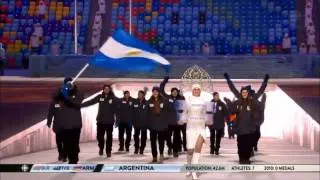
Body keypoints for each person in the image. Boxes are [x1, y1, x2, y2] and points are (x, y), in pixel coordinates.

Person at [179, 84, 213, 180]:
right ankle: (189, 167)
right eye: (195, 89)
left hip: (201, 127)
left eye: (198, 89)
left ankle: (194, 170)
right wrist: (182, 119)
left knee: (197, 149)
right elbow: (183, 113)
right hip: (190, 127)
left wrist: (208, 120)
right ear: (192, 90)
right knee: (190, 150)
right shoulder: (187, 101)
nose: (197, 91)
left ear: (200, 91)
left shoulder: (204, 101)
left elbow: (207, 114)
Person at [49, 77, 84, 164]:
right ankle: (70, 159)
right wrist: (61, 90)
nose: (69, 85)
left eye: (71, 83)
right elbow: (54, 97)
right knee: (67, 143)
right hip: (64, 125)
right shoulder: (61, 94)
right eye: (67, 84)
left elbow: (76, 103)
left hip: (75, 124)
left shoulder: (78, 93)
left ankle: (74, 160)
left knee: (74, 143)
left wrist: (67, 94)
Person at [81, 85, 117, 157]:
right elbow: (90, 102)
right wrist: (80, 105)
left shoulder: (113, 98)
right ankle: (101, 148)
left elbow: (118, 107)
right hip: (100, 121)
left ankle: (108, 151)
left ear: (110, 90)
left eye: (108, 89)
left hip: (109, 121)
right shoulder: (100, 97)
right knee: (100, 136)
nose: (106, 90)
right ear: (103, 90)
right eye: (105, 89)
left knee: (109, 137)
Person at [160, 76, 185, 157]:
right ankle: (170, 147)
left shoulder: (181, 99)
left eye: (176, 91)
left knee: (176, 137)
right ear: (171, 92)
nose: (174, 92)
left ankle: (175, 151)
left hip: (177, 122)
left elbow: (184, 109)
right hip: (169, 122)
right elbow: (161, 90)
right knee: (167, 136)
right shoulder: (167, 98)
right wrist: (164, 81)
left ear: (177, 92)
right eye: (173, 91)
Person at [47, 79, 70, 162]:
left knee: (66, 141)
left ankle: (65, 156)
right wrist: (49, 122)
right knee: (59, 142)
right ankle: (60, 153)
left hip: (67, 125)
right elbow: (50, 113)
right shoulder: (54, 102)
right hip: (57, 125)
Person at [147, 86, 171, 163]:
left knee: (161, 141)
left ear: (159, 92)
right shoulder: (149, 101)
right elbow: (146, 113)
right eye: (153, 91)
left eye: (156, 91)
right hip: (152, 124)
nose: (155, 93)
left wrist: (166, 122)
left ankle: (161, 154)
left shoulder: (164, 100)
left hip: (162, 124)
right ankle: (154, 156)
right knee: (153, 142)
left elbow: (168, 112)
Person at [132, 89, 149, 155]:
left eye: (140, 94)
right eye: (138, 94)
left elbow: (149, 113)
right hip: (136, 123)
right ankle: (136, 148)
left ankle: (142, 149)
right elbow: (132, 112)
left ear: (143, 95)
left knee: (143, 136)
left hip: (144, 123)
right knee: (136, 136)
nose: (139, 95)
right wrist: (133, 121)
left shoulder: (147, 102)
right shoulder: (135, 102)